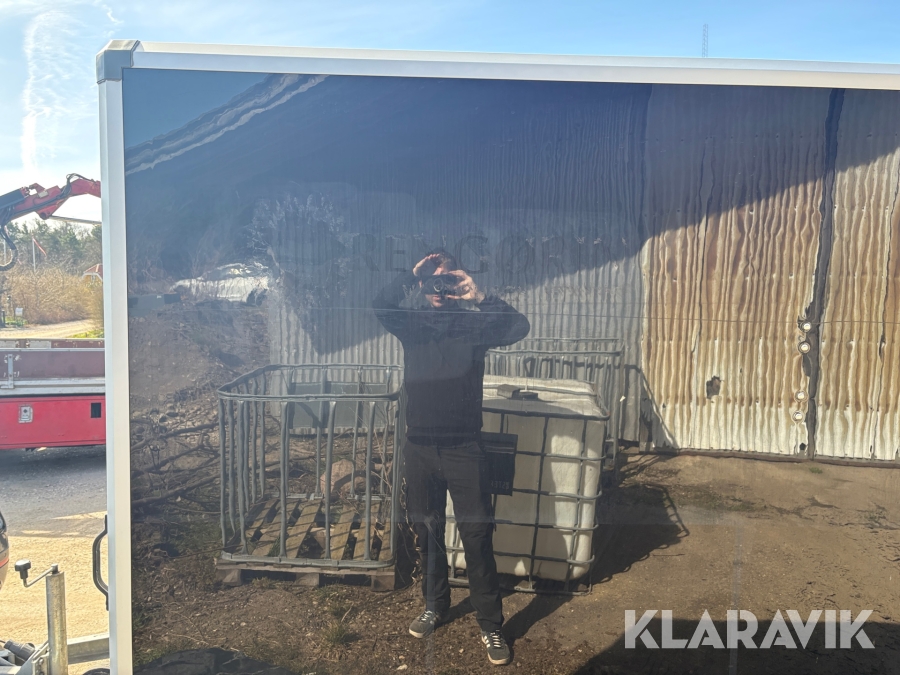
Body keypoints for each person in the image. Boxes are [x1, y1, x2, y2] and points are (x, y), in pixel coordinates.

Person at [373, 251, 530, 667]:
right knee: (428, 532)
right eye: (431, 279)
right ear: (421, 284)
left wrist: (480, 296)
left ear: (459, 281)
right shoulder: (412, 323)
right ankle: (435, 605)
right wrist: (410, 275)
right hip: (420, 448)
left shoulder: (474, 324)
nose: (438, 287)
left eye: (447, 279)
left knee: (477, 537)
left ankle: (490, 624)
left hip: (464, 449)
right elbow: (381, 305)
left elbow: (519, 327)